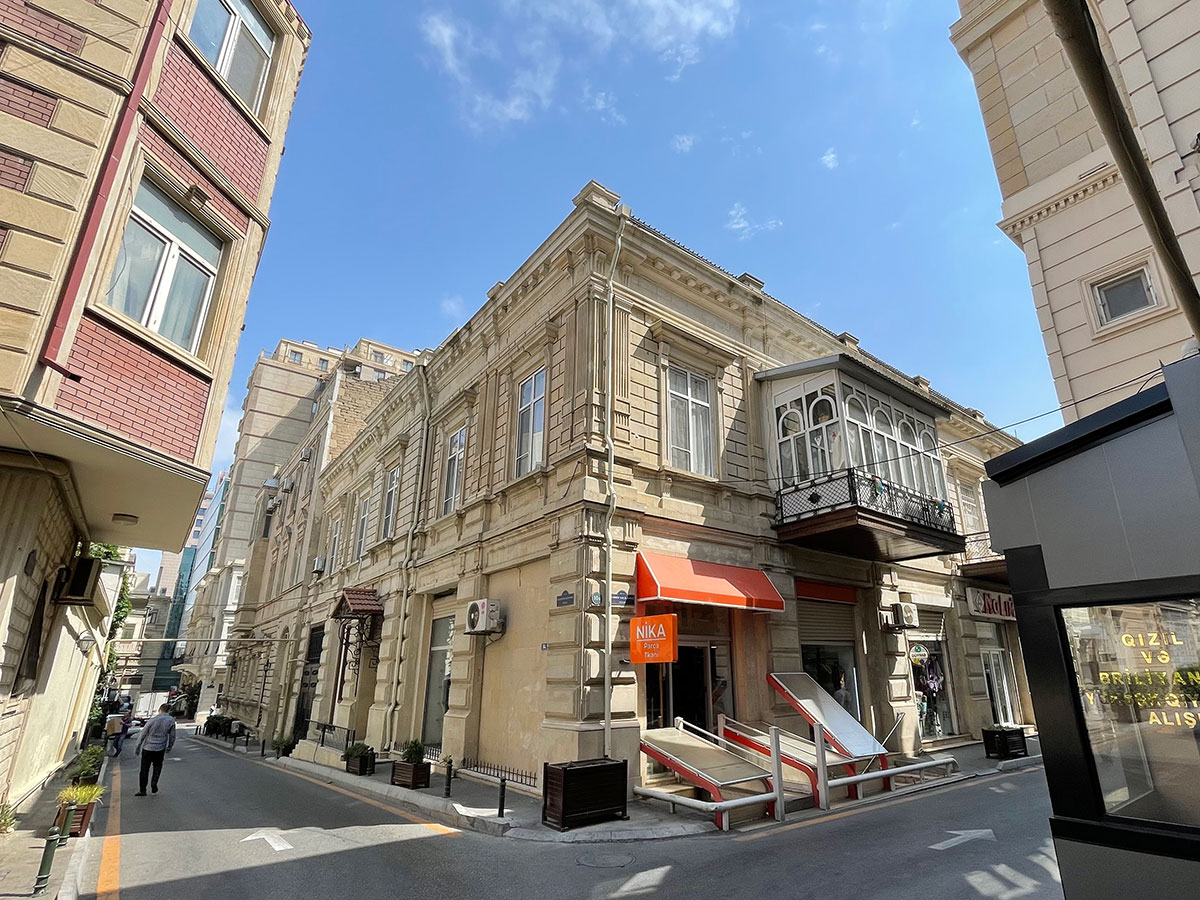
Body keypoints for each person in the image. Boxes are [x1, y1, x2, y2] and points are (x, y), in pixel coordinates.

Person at [134, 704, 176, 796]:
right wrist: (169, 747)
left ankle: (142, 790)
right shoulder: (171, 721)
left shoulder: (152, 720)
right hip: (160, 748)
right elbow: (172, 736)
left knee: (144, 769)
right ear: (169, 711)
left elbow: (143, 734)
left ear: (159, 710)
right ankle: (154, 783)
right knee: (157, 767)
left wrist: (137, 747)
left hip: (148, 748)